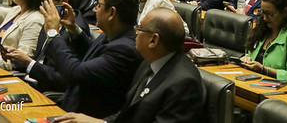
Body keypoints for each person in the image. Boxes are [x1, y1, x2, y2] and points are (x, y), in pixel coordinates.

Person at [55, 8, 204, 123]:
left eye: (140, 29)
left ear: (153, 40)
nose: (136, 33)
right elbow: (129, 114)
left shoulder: (183, 83)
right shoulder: (149, 61)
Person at [41, 0, 143, 118]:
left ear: (112, 13)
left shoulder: (125, 49)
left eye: (98, 5)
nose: (94, 10)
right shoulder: (112, 34)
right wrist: (73, 29)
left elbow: (75, 73)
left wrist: (53, 34)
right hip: (70, 109)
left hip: (87, 117)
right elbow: (93, 55)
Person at [4, 0, 88, 94]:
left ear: (63, 2)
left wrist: (29, 63)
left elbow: (63, 80)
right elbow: (40, 59)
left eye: (45, 1)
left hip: (45, 92)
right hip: (27, 82)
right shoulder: (50, 20)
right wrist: (17, 56)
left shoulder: (76, 32)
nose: (41, 6)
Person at [241, 0, 287, 80]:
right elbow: (250, 55)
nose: (264, 18)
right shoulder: (262, 29)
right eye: (262, 12)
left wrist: (263, 69)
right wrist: (246, 59)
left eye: (269, 13)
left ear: (284, 12)